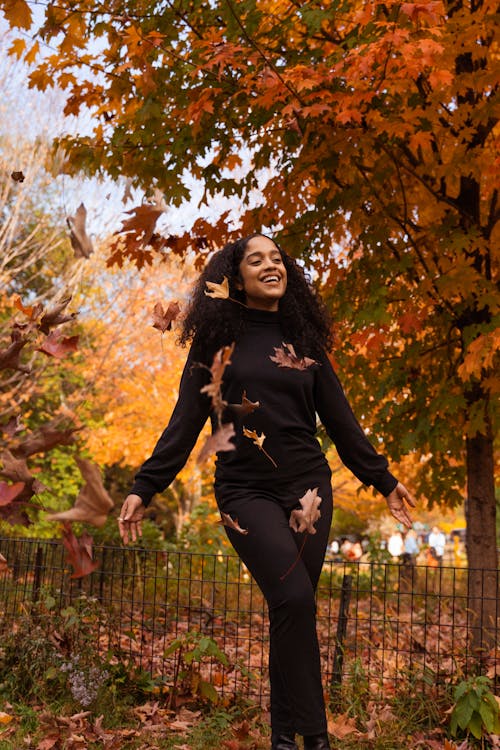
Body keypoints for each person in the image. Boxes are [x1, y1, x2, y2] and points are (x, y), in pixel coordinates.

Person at [117, 233, 415, 750]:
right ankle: (316, 739)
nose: (270, 265)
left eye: (277, 258)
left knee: (291, 609)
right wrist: (147, 486)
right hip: (244, 491)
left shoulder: (304, 341)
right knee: (295, 595)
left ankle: (282, 736)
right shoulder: (214, 345)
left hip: (309, 492)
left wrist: (382, 479)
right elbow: (186, 421)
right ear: (237, 276)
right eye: (256, 260)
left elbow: (341, 421)